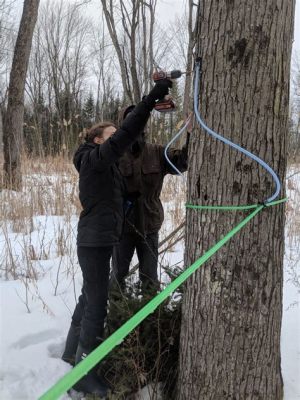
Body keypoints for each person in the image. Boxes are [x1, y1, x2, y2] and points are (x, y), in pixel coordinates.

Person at [61, 79, 172, 397]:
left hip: (99, 239)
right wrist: (152, 98)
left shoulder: (103, 167)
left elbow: (121, 192)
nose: (118, 142)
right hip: (94, 242)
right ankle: (85, 372)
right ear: (97, 140)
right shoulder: (94, 160)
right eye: (111, 137)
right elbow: (127, 132)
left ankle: (71, 352)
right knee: (98, 305)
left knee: (89, 296)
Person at [110, 105, 190, 294]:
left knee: (149, 277)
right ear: (123, 124)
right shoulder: (113, 154)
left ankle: (151, 318)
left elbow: (182, 162)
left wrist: (190, 134)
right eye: (131, 119)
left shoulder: (157, 152)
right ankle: (116, 317)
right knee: (117, 275)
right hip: (122, 227)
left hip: (150, 225)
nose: (136, 123)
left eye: (140, 119)